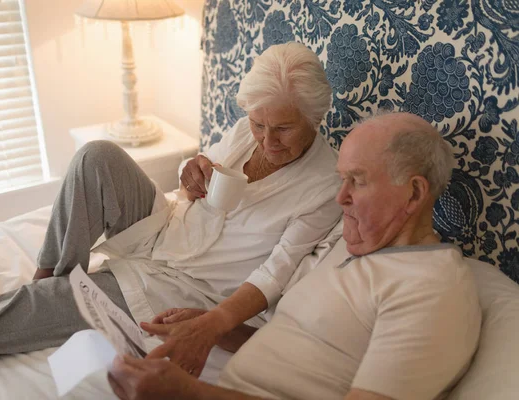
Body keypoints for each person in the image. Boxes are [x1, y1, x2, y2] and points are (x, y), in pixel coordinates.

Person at [0, 42, 343, 375]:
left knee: (54, 303)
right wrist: (189, 171)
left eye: (283, 129)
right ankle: (51, 276)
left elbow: (275, 274)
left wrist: (211, 323)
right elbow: (194, 175)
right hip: (165, 230)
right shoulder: (243, 131)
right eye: (258, 124)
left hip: (182, 283)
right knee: (96, 156)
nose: (267, 140)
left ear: (315, 116)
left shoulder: (326, 185)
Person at [106, 112, 482, 400]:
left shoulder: (430, 290)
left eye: (358, 181)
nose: (340, 197)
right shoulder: (348, 246)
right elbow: (298, 345)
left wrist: (191, 394)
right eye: (341, 179)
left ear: (414, 195)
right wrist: (213, 328)